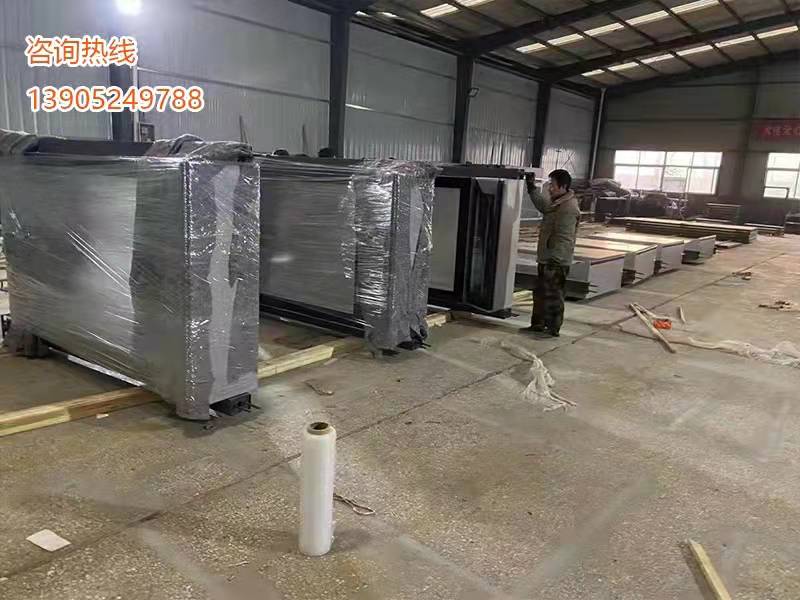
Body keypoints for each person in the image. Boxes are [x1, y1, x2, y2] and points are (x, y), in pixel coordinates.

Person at [523, 168, 580, 337]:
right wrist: (531, 187)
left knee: (553, 295)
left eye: (553, 185)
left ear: (563, 186)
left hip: (556, 260)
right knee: (540, 292)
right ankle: (538, 324)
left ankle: (553, 328)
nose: (550, 188)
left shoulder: (568, 208)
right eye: (550, 184)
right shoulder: (556, 203)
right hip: (547, 257)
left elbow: (565, 237)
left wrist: (555, 260)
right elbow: (543, 205)